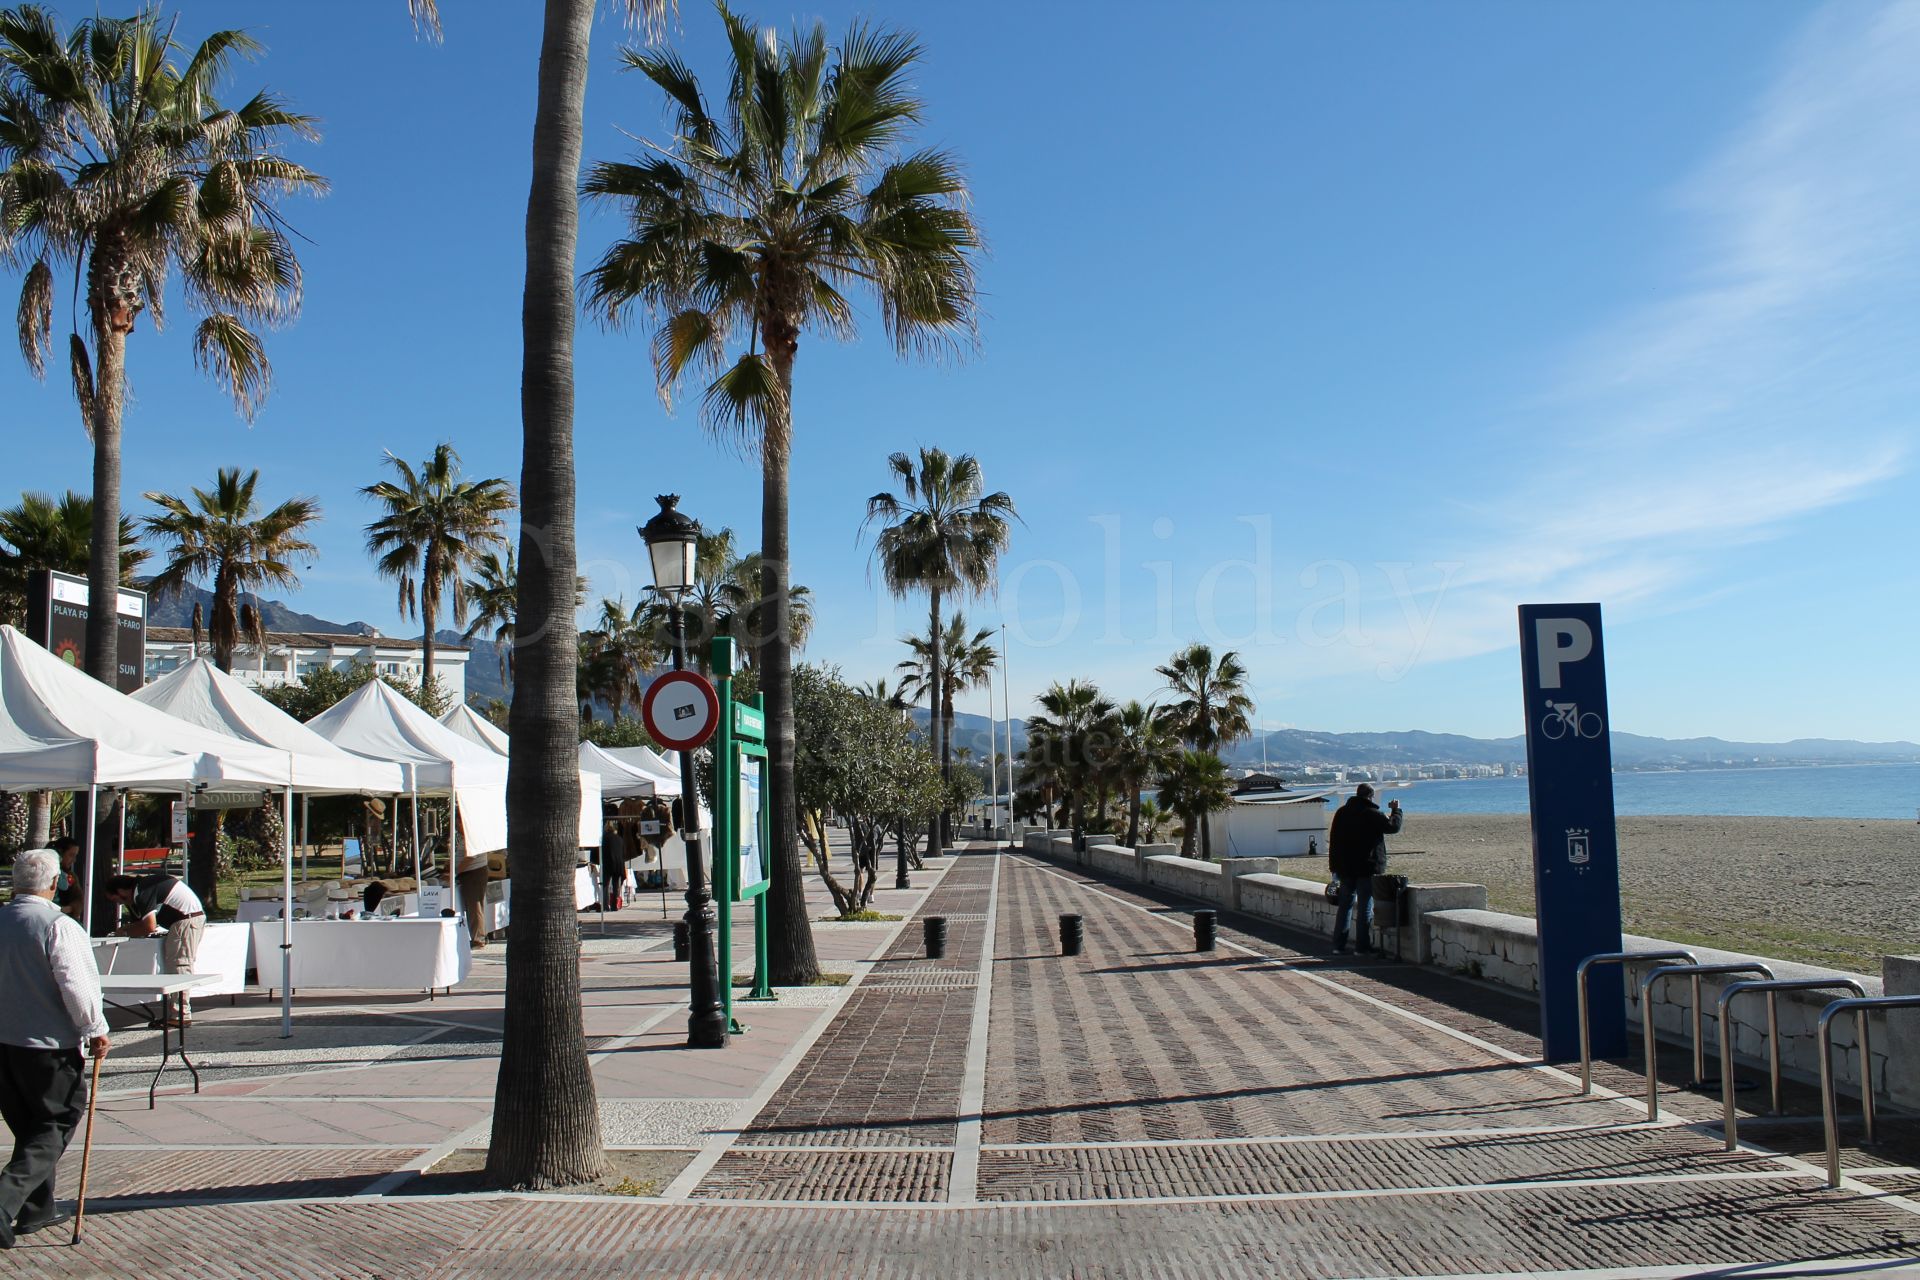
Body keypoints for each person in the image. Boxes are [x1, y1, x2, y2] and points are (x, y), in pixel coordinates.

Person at [0, 850, 110, 1248]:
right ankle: (6, 1199)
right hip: (47, 1046)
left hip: (6, 1043)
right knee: (54, 1124)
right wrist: (95, 1028)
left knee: (28, 1127)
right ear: (54, 882)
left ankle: (37, 1208)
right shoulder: (57, 925)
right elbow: (76, 985)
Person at [103, 872, 205, 1026]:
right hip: (187, 920)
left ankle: (181, 1015)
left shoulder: (142, 891)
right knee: (177, 967)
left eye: (116, 900)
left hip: (185, 921)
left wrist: (124, 931)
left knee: (179, 967)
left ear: (121, 891)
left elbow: (149, 926)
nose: (120, 904)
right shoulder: (145, 886)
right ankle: (178, 1014)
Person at [1327, 784, 1403, 956]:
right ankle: (1362, 947)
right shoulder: (1372, 814)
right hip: (1367, 868)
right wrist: (1397, 811)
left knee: (1344, 906)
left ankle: (1338, 945)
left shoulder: (1341, 813)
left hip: (1346, 868)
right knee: (1365, 907)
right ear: (1370, 796)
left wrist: (1334, 868)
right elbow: (1392, 827)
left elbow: (1334, 842)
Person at [454, 824, 491, 950]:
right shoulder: (467, 836)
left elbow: (470, 857)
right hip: (470, 873)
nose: (456, 826)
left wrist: (456, 871)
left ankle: (478, 939)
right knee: (474, 906)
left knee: (474, 906)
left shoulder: (474, 835)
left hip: (473, 873)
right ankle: (479, 936)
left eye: (457, 821)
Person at [49, 837, 81, 922]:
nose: (74, 860)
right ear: (60, 854)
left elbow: (79, 898)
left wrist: (70, 908)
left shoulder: (70, 876)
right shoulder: (42, 873)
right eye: (71, 855)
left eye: (75, 856)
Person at [600, 820, 628, 911]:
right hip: (618, 864)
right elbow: (624, 852)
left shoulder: (603, 839)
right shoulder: (619, 838)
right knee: (616, 884)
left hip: (608, 863)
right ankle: (614, 905)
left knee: (605, 884)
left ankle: (605, 905)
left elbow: (600, 853)